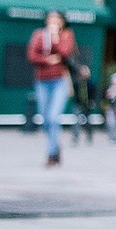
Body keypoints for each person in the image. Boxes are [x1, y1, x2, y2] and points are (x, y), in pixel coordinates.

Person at [26, 10, 75, 168]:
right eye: (50, 19)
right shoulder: (39, 34)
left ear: (62, 22)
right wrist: (47, 60)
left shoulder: (67, 35)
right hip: (42, 81)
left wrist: (54, 38)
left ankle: (52, 154)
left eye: (56, 19)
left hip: (59, 80)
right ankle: (55, 145)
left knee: (54, 117)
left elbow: (65, 53)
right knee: (45, 118)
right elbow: (32, 56)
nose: (53, 22)